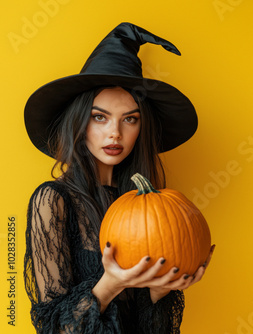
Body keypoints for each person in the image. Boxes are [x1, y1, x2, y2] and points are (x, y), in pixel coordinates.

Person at [23, 22, 214, 334]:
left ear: (141, 128)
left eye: (130, 119)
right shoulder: (53, 200)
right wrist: (110, 284)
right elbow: (54, 329)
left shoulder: (151, 207)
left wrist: (160, 290)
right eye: (100, 117)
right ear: (80, 123)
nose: (115, 133)